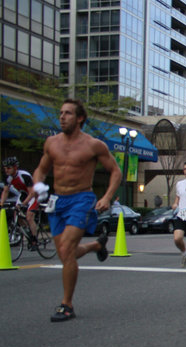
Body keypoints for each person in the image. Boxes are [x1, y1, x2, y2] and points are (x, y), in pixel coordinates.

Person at [32, 99, 122, 322]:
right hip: (57, 201)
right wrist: (38, 186)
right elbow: (41, 170)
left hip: (81, 199)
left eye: (68, 113)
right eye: (61, 113)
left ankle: (67, 305)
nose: (62, 117)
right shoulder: (51, 143)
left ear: (80, 118)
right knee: (65, 254)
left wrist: (107, 197)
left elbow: (116, 171)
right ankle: (96, 245)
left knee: (66, 248)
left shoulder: (93, 145)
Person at [1, 156, 39, 241]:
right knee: (16, 215)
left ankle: (34, 240)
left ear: (15, 167)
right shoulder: (7, 177)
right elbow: (6, 191)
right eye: (5, 168)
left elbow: (32, 193)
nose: (6, 170)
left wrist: (23, 204)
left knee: (29, 216)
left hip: (34, 195)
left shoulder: (24, 175)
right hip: (23, 194)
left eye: (8, 168)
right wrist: (1, 203)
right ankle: (28, 230)